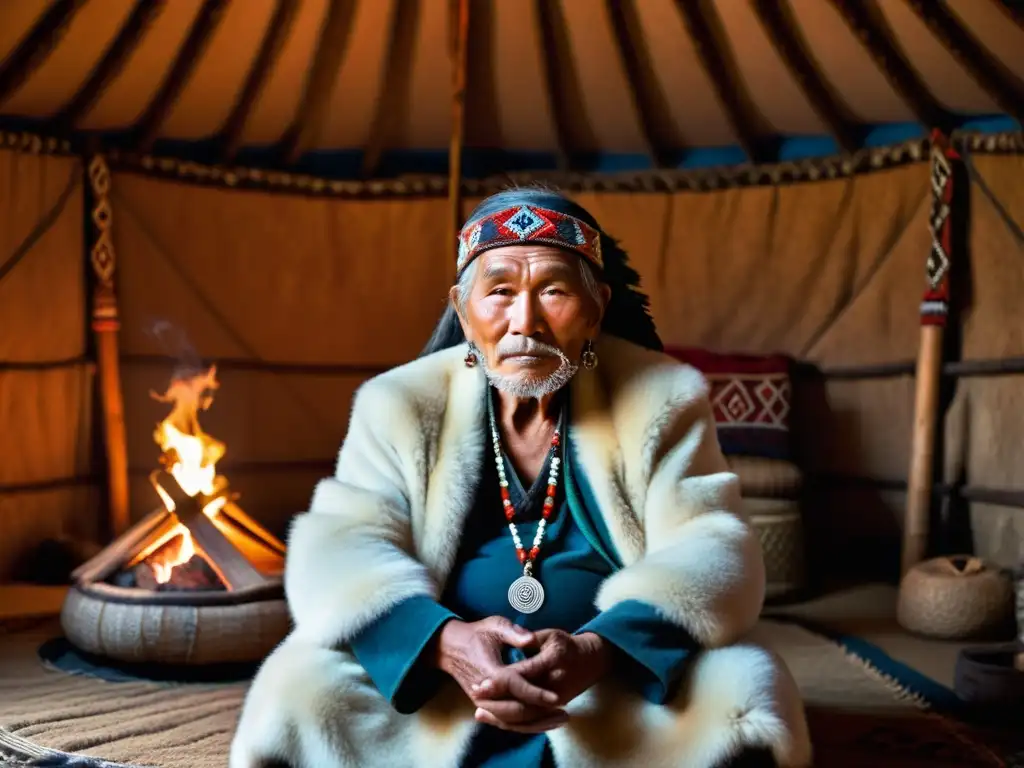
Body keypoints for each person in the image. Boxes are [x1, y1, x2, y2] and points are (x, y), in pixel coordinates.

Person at [229, 187, 811, 768]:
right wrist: (442, 642)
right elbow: (339, 547)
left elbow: (713, 548)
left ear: (596, 309)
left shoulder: (660, 398)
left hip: (617, 683)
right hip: (437, 687)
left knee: (746, 692)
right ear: (463, 309)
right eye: (500, 292)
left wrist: (595, 649)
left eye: (554, 291)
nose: (524, 321)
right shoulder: (399, 404)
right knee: (296, 693)